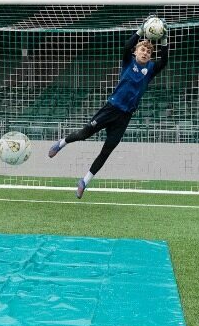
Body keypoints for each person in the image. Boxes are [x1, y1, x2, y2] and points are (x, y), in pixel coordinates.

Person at [48, 16, 169, 198]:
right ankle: (61, 143)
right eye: (142, 49)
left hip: (125, 116)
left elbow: (165, 60)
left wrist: (164, 39)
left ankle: (84, 181)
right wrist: (140, 30)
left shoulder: (150, 70)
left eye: (148, 52)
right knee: (83, 135)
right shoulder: (128, 62)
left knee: (107, 150)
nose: (145, 53)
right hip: (111, 108)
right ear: (136, 52)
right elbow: (126, 46)